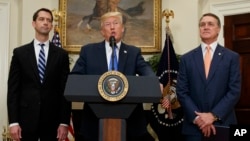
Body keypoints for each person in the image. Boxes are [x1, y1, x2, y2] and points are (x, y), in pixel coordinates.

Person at [71, 11, 156, 141]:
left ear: (122, 29)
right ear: (101, 31)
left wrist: (154, 82)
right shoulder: (88, 51)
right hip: (95, 119)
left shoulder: (133, 52)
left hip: (130, 121)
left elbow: (146, 70)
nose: (112, 27)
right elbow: (75, 78)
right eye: (107, 24)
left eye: (116, 23)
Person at [7, 8, 71, 141]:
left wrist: (64, 122)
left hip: (52, 121)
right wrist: (13, 122)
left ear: (52, 26)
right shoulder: (20, 53)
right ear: (33, 24)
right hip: (25, 120)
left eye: (49, 20)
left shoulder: (61, 55)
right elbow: (13, 90)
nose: (45, 23)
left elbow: (65, 91)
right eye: (41, 19)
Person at [176, 13, 241, 141]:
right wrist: (199, 119)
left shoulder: (231, 57)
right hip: (194, 127)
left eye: (210, 24)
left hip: (223, 124)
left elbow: (234, 91)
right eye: (202, 24)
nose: (205, 27)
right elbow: (182, 91)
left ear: (218, 29)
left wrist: (213, 116)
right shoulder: (186, 59)